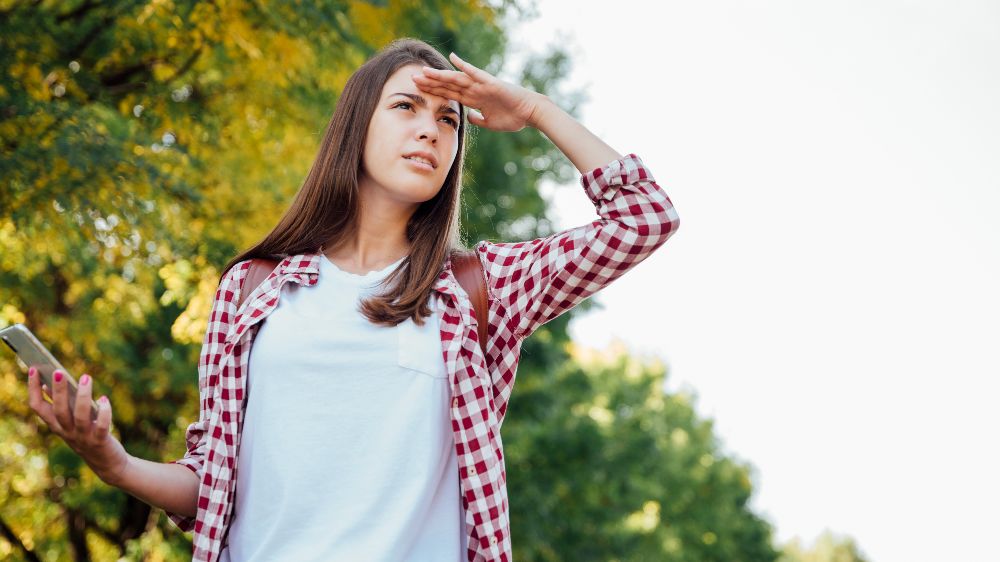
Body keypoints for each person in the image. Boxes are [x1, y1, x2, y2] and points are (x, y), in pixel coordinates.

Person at [25, 37, 680, 562]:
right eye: (406, 107)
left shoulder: (478, 288)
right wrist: (114, 463)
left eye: (448, 119)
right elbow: (213, 481)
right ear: (355, 126)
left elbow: (645, 217)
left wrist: (535, 109)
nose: (430, 131)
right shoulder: (252, 290)